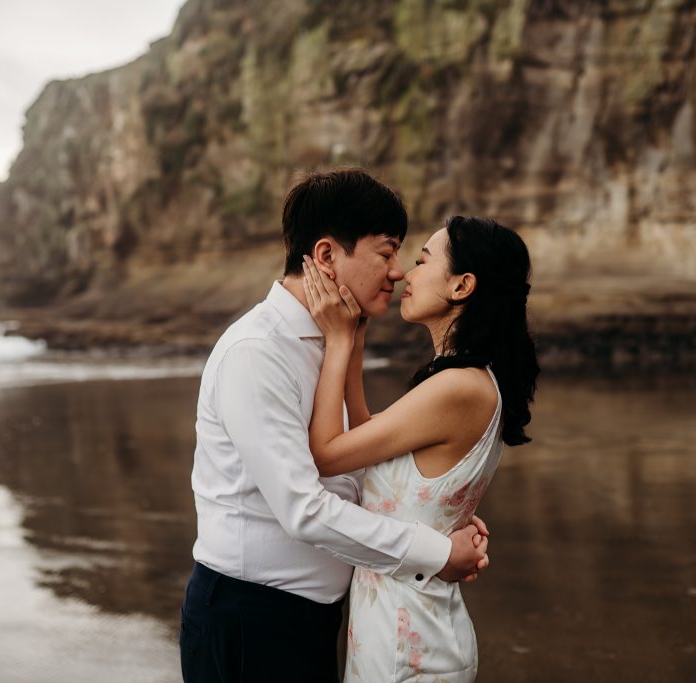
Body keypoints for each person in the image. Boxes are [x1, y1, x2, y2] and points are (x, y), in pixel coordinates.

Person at [179, 170, 491, 683]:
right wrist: (435, 553)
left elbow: (351, 474)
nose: (396, 272)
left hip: (316, 620)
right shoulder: (257, 352)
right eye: (386, 253)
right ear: (326, 257)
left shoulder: (332, 340)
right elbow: (303, 509)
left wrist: (438, 513)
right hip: (249, 620)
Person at [301, 215, 538, 682]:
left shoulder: (458, 389)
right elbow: (366, 440)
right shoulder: (462, 381)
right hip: (400, 631)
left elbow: (327, 453)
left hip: (411, 652)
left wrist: (338, 339)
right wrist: (357, 337)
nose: (406, 274)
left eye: (422, 261)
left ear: (462, 285)